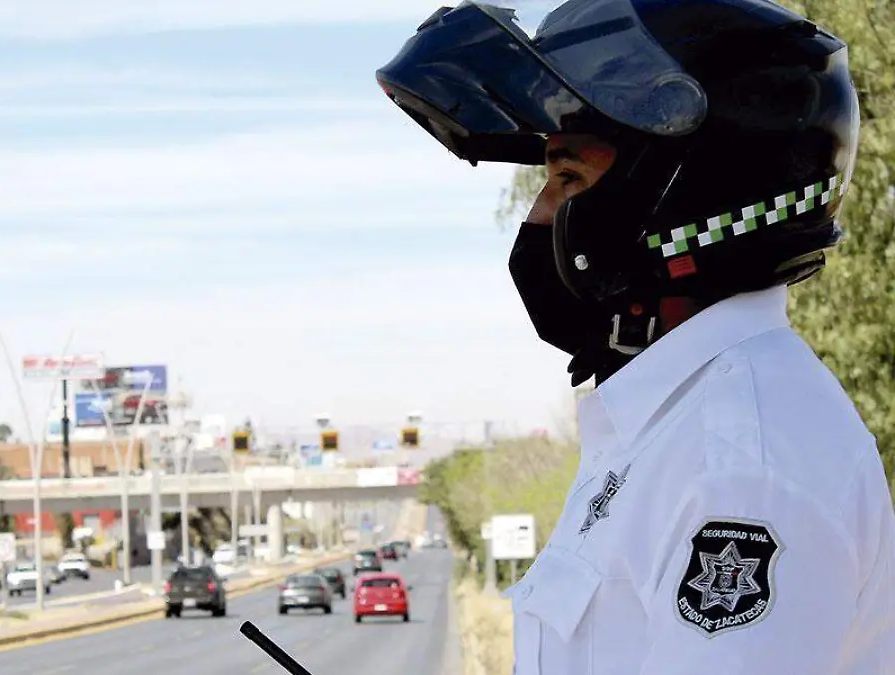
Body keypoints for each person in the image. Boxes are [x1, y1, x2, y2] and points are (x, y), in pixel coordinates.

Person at [377, 0, 893, 673]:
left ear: (690, 197)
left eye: (568, 177)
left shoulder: (738, 466)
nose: (540, 215)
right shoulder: (666, 425)